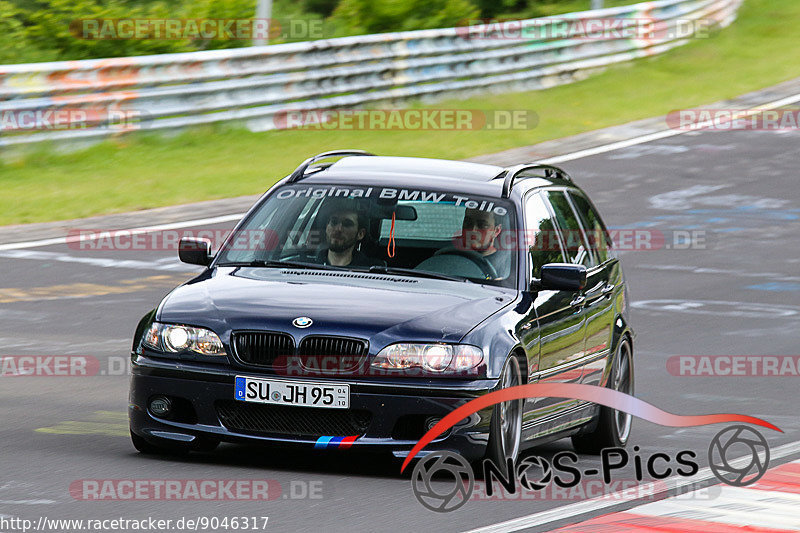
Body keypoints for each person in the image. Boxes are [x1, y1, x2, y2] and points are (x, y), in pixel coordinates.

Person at [313, 204, 382, 267]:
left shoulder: (371, 270)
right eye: (334, 222)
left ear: (360, 234)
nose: (338, 229)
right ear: (326, 227)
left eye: (347, 224)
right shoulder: (309, 264)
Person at [460, 208, 511, 278]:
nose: (473, 230)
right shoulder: (448, 256)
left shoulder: (507, 270)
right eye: (468, 222)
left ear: (496, 231)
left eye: (482, 225)